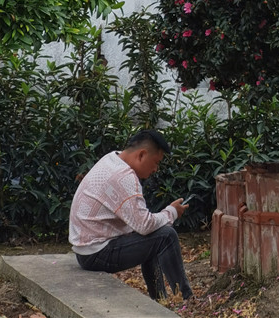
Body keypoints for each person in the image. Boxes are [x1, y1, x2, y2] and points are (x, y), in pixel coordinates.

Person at [68, 129, 193, 302]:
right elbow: (144, 225)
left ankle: (160, 300)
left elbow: (143, 226)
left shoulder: (111, 159)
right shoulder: (123, 176)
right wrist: (171, 212)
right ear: (142, 155)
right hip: (96, 254)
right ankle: (186, 298)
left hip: (87, 250)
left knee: (155, 236)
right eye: (156, 162)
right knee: (166, 235)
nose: (156, 169)